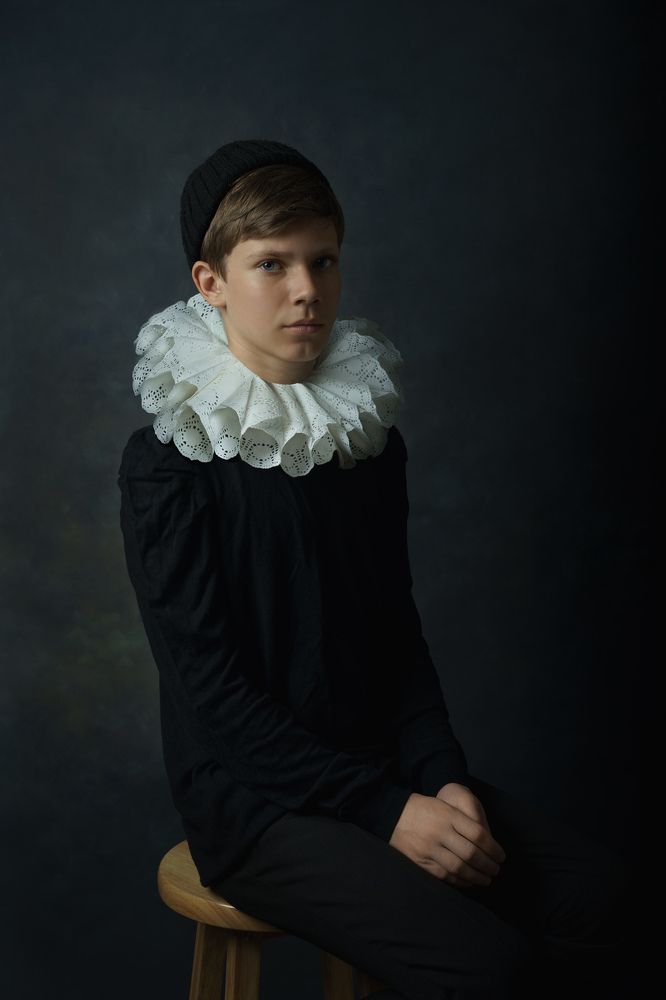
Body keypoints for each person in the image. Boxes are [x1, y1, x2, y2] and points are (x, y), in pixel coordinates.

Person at [117, 139, 633, 1000]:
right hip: (255, 803)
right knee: (493, 968)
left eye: (322, 260)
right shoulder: (166, 466)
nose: (306, 289)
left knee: (602, 899)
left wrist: (443, 778)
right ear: (211, 283)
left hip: (382, 768)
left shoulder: (366, 440)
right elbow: (216, 699)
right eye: (271, 264)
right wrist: (390, 812)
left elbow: (397, 637)